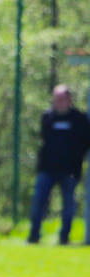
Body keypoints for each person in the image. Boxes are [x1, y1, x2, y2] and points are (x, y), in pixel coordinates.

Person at [27, 84, 90, 245]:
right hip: (47, 169)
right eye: (55, 99)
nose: (58, 102)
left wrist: (76, 162)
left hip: (69, 170)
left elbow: (84, 144)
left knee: (68, 205)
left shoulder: (79, 119)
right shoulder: (48, 116)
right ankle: (34, 236)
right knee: (39, 201)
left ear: (69, 100)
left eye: (61, 99)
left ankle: (64, 237)